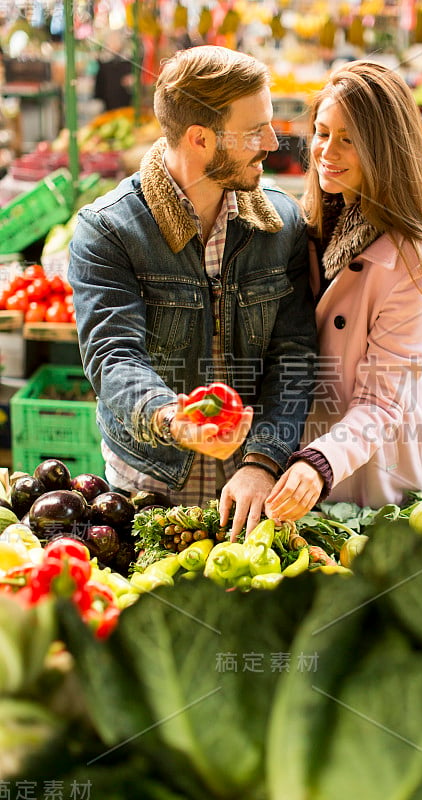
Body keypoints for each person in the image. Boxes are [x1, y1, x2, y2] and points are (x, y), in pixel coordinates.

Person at [68, 45, 317, 538]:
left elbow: (295, 353)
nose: (272, 141)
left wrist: (263, 460)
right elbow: (113, 357)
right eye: (254, 131)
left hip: (251, 480)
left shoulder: (282, 221)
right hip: (149, 478)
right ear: (200, 138)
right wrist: (171, 417)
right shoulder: (109, 231)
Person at [264, 60, 422, 524]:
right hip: (295, 466)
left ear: (385, 150)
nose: (326, 151)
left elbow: (381, 402)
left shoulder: (421, 267)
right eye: (321, 132)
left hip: (375, 478)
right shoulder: (304, 227)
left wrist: (321, 462)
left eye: (349, 139)